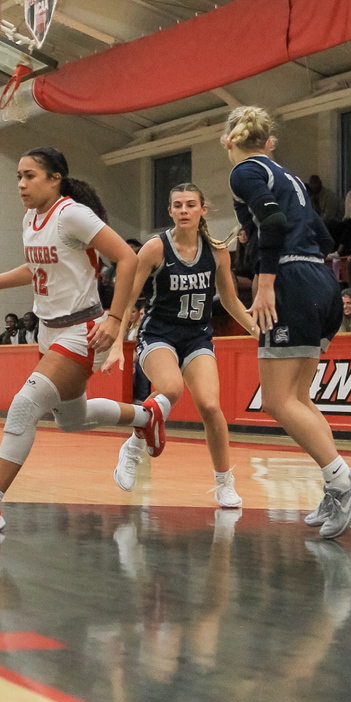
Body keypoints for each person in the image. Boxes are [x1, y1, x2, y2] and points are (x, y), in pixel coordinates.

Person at [0, 147, 140, 534]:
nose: (21, 183)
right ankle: (147, 418)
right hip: (48, 330)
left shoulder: (73, 214)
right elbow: (37, 267)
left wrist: (115, 319)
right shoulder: (32, 218)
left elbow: (127, 258)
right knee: (72, 419)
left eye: (30, 175)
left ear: (55, 179)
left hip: (82, 329)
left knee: (24, 405)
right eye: (18, 175)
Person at [225, 106, 351, 539]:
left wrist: (266, 279)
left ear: (229, 141)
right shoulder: (287, 176)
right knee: (299, 398)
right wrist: (257, 239)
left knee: (275, 400)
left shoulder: (244, 172)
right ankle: (336, 486)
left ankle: (345, 482)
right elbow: (325, 235)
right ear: (268, 141)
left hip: (289, 280)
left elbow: (272, 221)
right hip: (320, 280)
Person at [111, 183, 257, 509]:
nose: (184, 211)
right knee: (171, 388)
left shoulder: (217, 251)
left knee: (209, 405)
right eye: (177, 205)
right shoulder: (154, 248)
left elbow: (231, 301)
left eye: (191, 205)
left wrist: (255, 329)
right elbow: (129, 295)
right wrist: (117, 341)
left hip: (196, 335)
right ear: (170, 211)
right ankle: (133, 448)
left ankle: (223, 482)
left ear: (203, 210)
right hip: (158, 333)